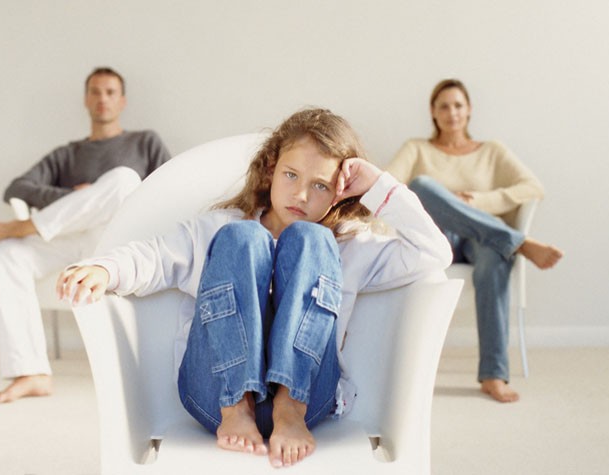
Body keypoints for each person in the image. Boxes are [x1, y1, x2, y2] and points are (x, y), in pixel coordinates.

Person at [57, 108, 452, 468]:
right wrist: (105, 268)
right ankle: (237, 405)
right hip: (215, 395)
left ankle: (289, 406)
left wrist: (377, 185)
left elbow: (433, 252)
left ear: (340, 194)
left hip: (308, 399)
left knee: (312, 239)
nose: (301, 195)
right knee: (242, 238)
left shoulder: (348, 247)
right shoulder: (219, 228)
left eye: (320, 186)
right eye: (291, 175)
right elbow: (154, 257)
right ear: (270, 170)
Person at [0, 67, 171, 404]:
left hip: (118, 243)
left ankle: (13, 229)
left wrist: (103, 193)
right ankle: (31, 373)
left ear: (122, 101)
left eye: (110, 92)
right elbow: (17, 188)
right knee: (5, 255)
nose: (102, 99)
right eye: (95, 91)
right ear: (86, 99)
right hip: (69, 239)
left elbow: (166, 191)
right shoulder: (67, 154)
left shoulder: (145, 142)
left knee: (124, 180)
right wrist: (74, 196)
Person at [385, 79, 563, 403]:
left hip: (479, 237)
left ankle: (494, 375)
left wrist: (477, 201)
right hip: (437, 237)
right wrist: (443, 201)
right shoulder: (417, 148)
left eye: (458, 105)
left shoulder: (492, 151)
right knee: (422, 185)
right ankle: (517, 242)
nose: (452, 112)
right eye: (444, 106)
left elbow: (532, 187)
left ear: (469, 110)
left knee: (495, 258)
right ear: (433, 112)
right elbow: (388, 186)